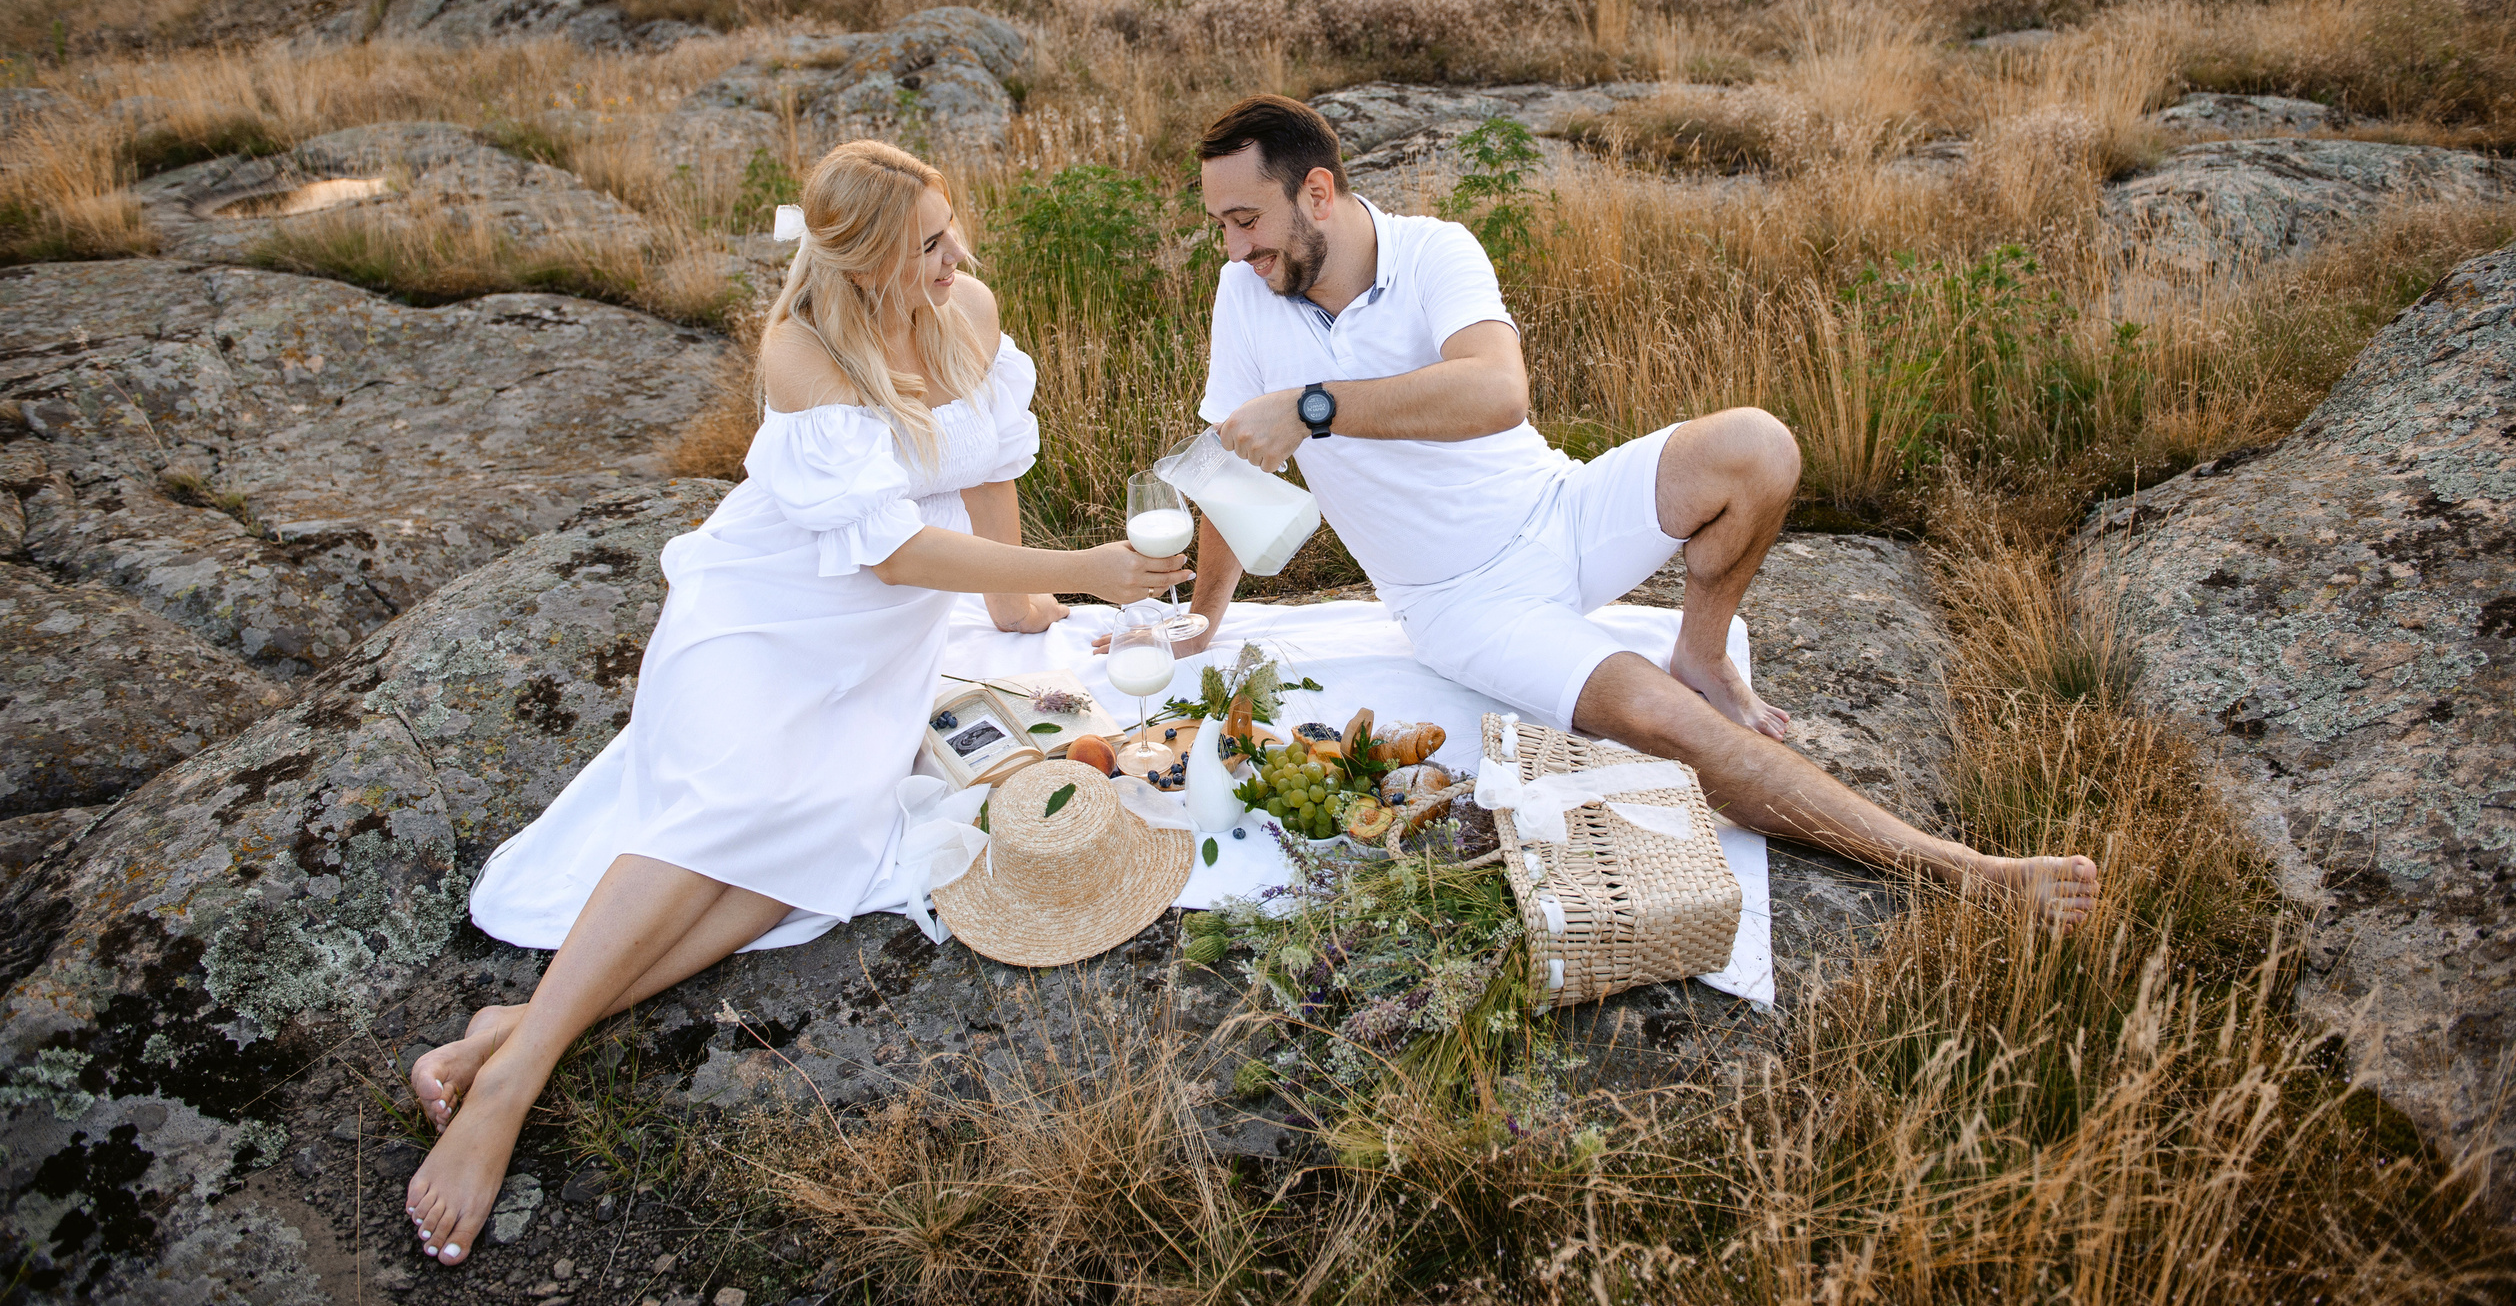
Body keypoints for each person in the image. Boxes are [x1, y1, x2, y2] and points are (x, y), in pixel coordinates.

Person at [401, 141, 1187, 1268]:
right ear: (863, 260)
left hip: (876, 651)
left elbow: (990, 464)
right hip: (768, 611)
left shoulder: (964, 306)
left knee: (803, 861)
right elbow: (891, 551)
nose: (956, 255)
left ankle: (521, 1029)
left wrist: (1028, 602)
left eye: (950, 226)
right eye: (926, 243)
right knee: (728, 808)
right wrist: (1085, 566)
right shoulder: (802, 351)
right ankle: (512, 1086)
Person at [1155, 94, 2100, 929]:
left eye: (1247, 220)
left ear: (1317, 193)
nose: (1235, 249)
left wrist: (1314, 404)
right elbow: (1229, 474)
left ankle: (1700, 645)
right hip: (1463, 604)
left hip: (1559, 509)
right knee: (1675, 729)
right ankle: (1967, 870)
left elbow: (1497, 392)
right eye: (1224, 228)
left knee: (1759, 447)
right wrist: (1206, 612)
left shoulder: (1435, 249)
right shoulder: (1244, 297)